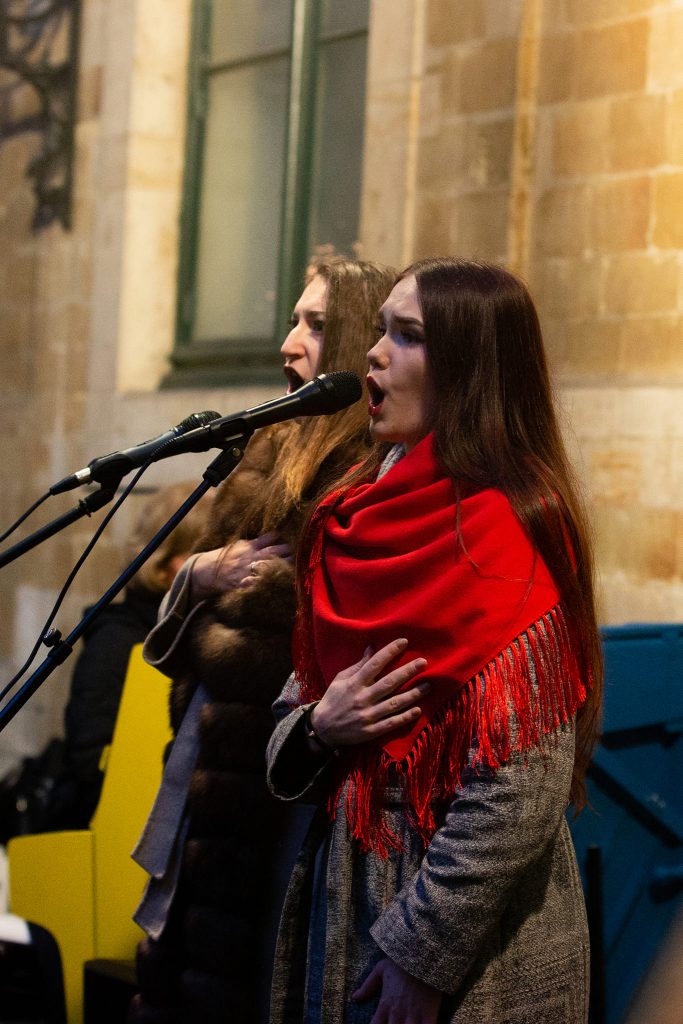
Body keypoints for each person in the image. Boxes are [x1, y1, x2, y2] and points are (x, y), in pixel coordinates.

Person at [265, 258, 604, 1024]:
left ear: (470, 368)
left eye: (406, 336)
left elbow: (520, 790)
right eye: (380, 331)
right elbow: (289, 715)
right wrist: (320, 726)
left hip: (465, 934)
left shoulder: (514, 527)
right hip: (341, 880)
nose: (374, 355)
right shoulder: (348, 517)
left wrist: (419, 956)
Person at [128, 256, 396, 1024]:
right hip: (209, 794)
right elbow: (179, 651)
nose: (287, 343)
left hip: (284, 814)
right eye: (291, 319)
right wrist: (198, 577)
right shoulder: (265, 457)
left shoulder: (362, 483)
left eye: (314, 325)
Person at [0, 482, 212, 839]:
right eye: (204, 552)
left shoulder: (198, 635)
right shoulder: (120, 639)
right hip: (107, 835)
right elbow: (92, 756)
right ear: (162, 564)